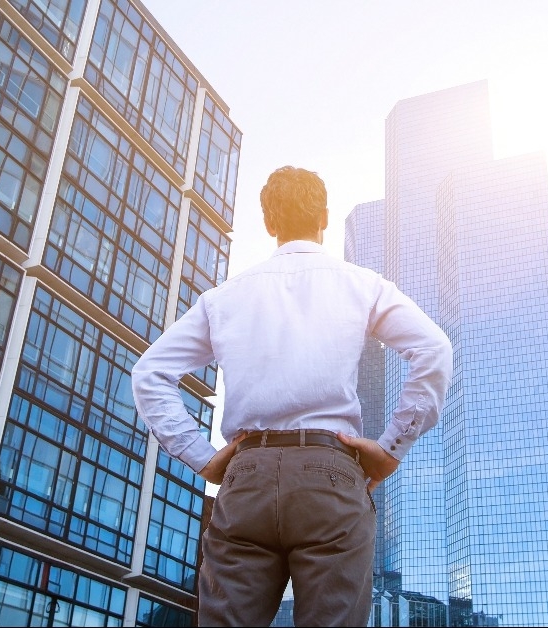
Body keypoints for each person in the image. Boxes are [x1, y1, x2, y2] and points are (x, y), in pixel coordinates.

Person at [131, 166, 452, 626]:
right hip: (331, 476)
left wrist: (203, 457)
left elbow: (150, 374)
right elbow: (433, 349)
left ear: (269, 224)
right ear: (324, 217)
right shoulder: (363, 285)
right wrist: (390, 448)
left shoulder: (223, 299)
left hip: (247, 479)